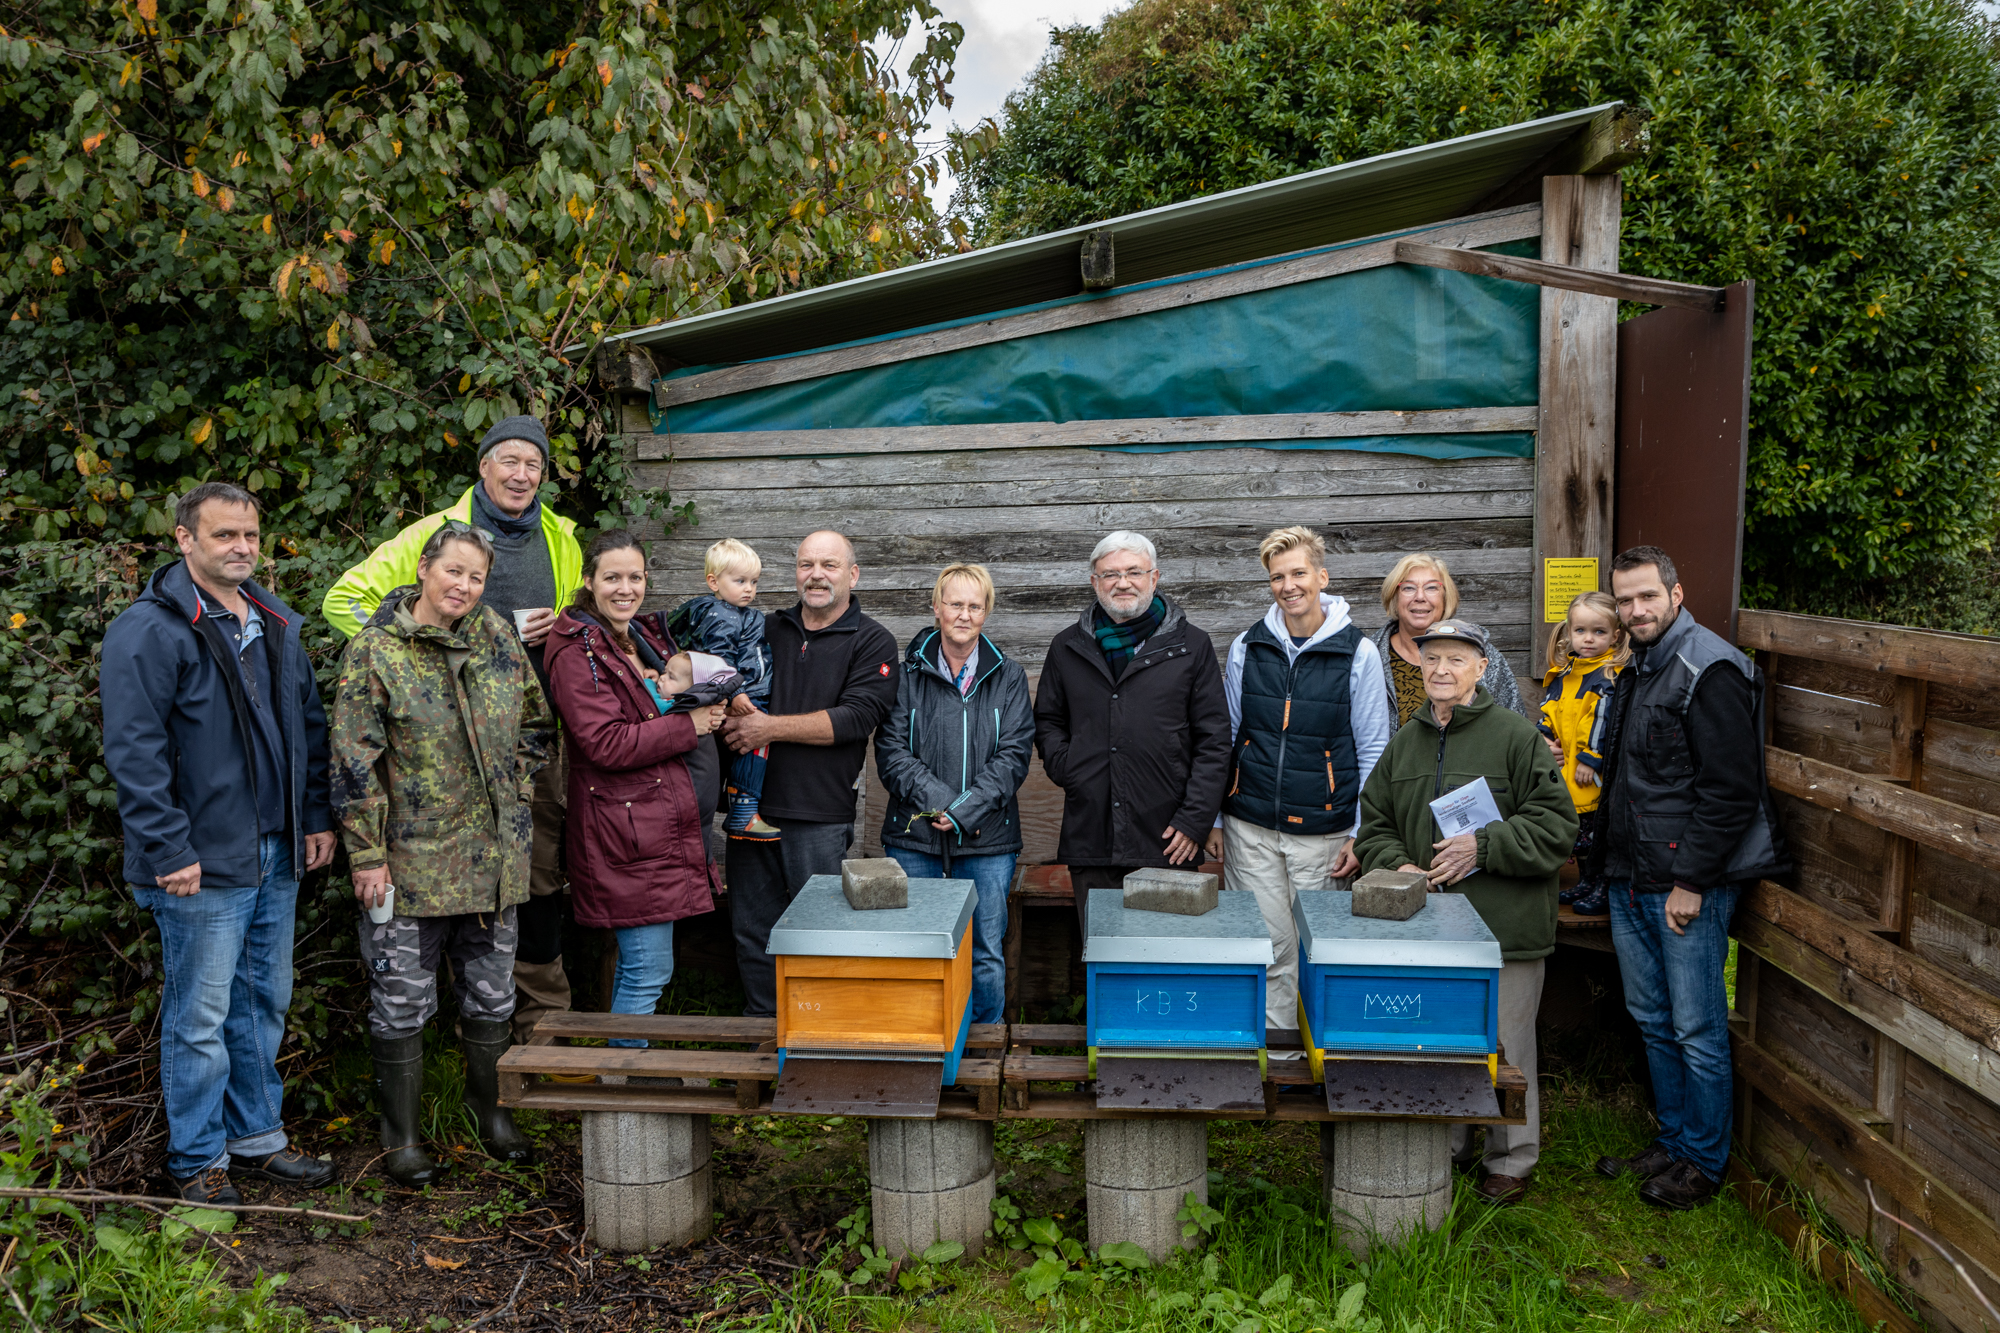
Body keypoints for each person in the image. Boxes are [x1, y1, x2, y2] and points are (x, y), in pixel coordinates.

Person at [102, 482, 338, 1205]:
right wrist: (168, 847)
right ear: (184, 539)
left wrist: (316, 814)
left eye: (250, 536)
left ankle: (256, 1137)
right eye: (224, 535)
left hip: (275, 847)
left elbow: (307, 727)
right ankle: (197, 1159)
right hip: (199, 860)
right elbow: (134, 751)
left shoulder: (270, 620)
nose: (241, 547)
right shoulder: (151, 629)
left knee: (263, 1000)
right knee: (201, 1015)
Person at [321, 417, 583, 1044]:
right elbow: (342, 599)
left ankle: (534, 1035)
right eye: (510, 462)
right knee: (429, 910)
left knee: (534, 885)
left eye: (535, 466)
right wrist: (410, 658)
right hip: (430, 763)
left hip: (526, 743)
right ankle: (435, 1045)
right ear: (484, 467)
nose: (523, 475)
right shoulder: (434, 533)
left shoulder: (561, 537)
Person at [330, 522, 552, 1186]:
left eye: (476, 576)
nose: (464, 585)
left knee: (490, 999)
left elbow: (537, 721)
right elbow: (352, 762)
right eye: (453, 571)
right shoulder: (376, 651)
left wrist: (516, 781)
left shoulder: (499, 641)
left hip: (492, 865)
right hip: (408, 864)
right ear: (425, 569)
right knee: (400, 1004)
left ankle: (493, 1118)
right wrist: (366, 854)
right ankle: (401, 1138)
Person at [1590, 546, 1789, 1211]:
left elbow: (1731, 791)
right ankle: (1673, 1138)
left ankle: (1703, 1159)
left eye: (1647, 596)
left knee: (1696, 1025)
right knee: (1651, 1017)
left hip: (1685, 883)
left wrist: (1692, 880)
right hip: (1632, 876)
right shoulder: (1640, 666)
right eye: (1624, 599)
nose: (1635, 609)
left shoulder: (1710, 668)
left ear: (1675, 594)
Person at [1354, 618, 1577, 1207]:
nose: (1442, 670)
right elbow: (1373, 824)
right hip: (1432, 931)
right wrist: (1398, 865)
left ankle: (1512, 1158)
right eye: (1431, 660)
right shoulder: (1407, 741)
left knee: (1507, 1046)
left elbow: (1558, 826)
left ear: (1481, 669)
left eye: (1456, 660)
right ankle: (1449, 1142)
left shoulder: (1516, 736)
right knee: (1443, 1041)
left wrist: (1484, 845)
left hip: (1506, 928)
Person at [1204, 526, 1391, 1039]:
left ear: (1321, 577)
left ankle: (1320, 1060)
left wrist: (1360, 831)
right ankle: (1278, 1065)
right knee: (1266, 948)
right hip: (1251, 827)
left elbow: (1373, 747)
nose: (1289, 586)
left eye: (1299, 573)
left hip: (1325, 832)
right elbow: (1229, 735)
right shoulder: (1249, 645)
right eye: (1277, 577)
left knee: (1317, 950)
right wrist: (1219, 816)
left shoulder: (1359, 654)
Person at [545, 532, 726, 1049]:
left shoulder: (633, 637)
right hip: (626, 834)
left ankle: (623, 1078)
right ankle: (624, 1092)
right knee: (647, 968)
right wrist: (689, 725)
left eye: (635, 577)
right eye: (612, 578)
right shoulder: (577, 649)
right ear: (588, 581)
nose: (625, 589)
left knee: (644, 968)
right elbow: (604, 743)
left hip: (650, 829)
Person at [719, 531, 899, 1016]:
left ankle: (815, 1039)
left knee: (817, 935)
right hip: (749, 809)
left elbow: (857, 718)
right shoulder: (766, 628)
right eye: (806, 564)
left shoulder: (873, 640)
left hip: (818, 816)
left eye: (829, 565)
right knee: (753, 934)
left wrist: (766, 728)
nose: (816, 575)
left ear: (852, 574)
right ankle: (763, 1036)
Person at [1034, 531, 1231, 937]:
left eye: (1133, 572)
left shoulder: (1192, 647)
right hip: (1092, 834)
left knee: (1168, 961)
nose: (1122, 583)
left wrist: (1195, 821)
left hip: (1169, 838)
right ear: (1094, 582)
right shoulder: (1067, 648)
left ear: (1154, 578)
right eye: (1110, 574)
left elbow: (1214, 741)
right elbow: (1048, 722)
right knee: (1103, 957)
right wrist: (1071, 769)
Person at [874, 564, 1035, 1025]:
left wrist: (965, 811)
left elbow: (1014, 755)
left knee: (984, 950)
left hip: (988, 841)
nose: (963, 615)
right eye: (955, 604)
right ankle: (922, 1044)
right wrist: (943, 805)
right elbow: (891, 752)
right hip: (915, 839)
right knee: (917, 944)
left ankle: (983, 1051)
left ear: (986, 612)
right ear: (936, 607)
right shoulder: (906, 675)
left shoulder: (1008, 676)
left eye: (974, 606)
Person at [667, 538, 777, 835]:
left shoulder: (735, 613)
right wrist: (736, 693)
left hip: (744, 690)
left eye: (754, 581)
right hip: (740, 693)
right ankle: (743, 806)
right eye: (740, 580)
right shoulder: (722, 615)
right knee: (755, 742)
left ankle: (738, 802)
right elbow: (719, 659)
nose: (749, 589)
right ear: (713, 582)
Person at [1538, 591, 1628, 918]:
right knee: (1579, 828)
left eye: (1599, 632)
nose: (1588, 639)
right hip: (1567, 771)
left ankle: (1603, 885)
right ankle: (1585, 881)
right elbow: (1549, 711)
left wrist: (1592, 758)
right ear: (1569, 633)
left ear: (1615, 636)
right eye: (1580, 631)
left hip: (1592, 772)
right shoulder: (1564, 676)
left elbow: (1603, 721)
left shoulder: (1607, 677)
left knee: (1597, 829)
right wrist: (1542, 735)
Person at [1369, 553, 1526, 732]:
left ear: (1445, 597)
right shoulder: (1370, 654)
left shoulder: (1481, 654)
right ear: (1395, 597)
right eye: (1408, 588)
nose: (1420, 596)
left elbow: (1516, 724)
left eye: (1431, 588)